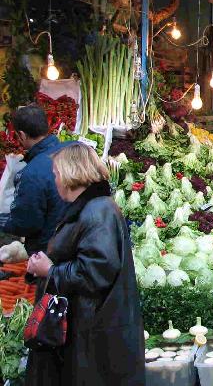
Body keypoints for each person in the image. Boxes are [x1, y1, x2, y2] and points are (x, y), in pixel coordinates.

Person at [25, 143, 145, 385]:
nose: (55, 180)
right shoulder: (90, 208)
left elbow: (95, 272)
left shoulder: (98, 211)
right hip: (86, 332)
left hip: (92, 336)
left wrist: (50, 270)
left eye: (57, 174)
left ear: (71, 173)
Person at [2, 105, 69, 255]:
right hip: (78, 243)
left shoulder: (32, 172)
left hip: (50, 252)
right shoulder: (75, 149)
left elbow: (26, 223)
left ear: (22, 135)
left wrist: (5, 224)